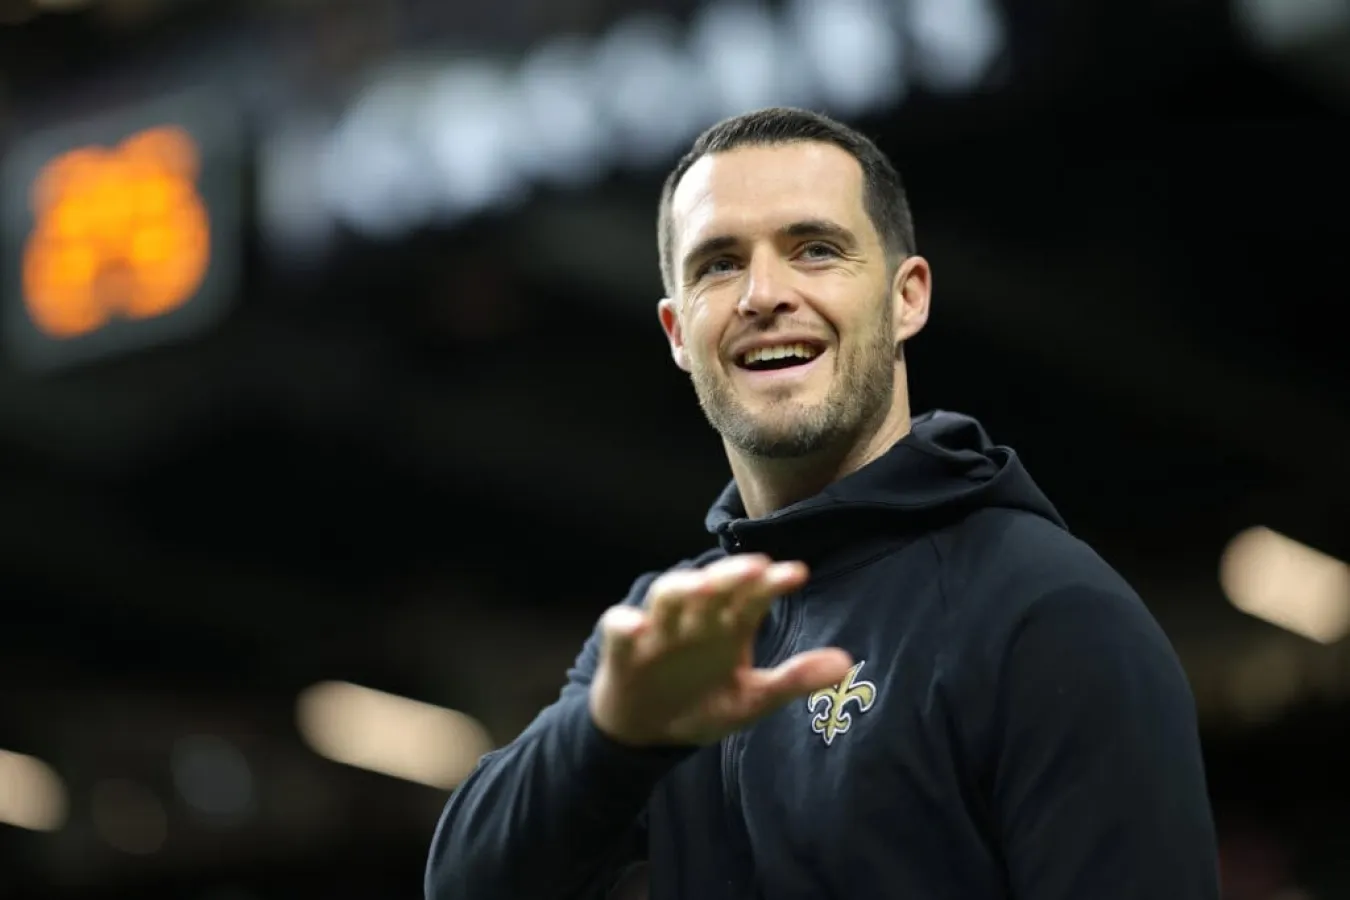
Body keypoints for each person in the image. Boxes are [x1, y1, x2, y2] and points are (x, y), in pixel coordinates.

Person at [424, 107, 1219, 900]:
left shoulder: (1046, 611)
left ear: (907, 298)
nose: (764, 294)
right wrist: (609, 736)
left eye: (815, 249)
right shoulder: (676, 632)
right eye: (718, 265)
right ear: (676, 332)